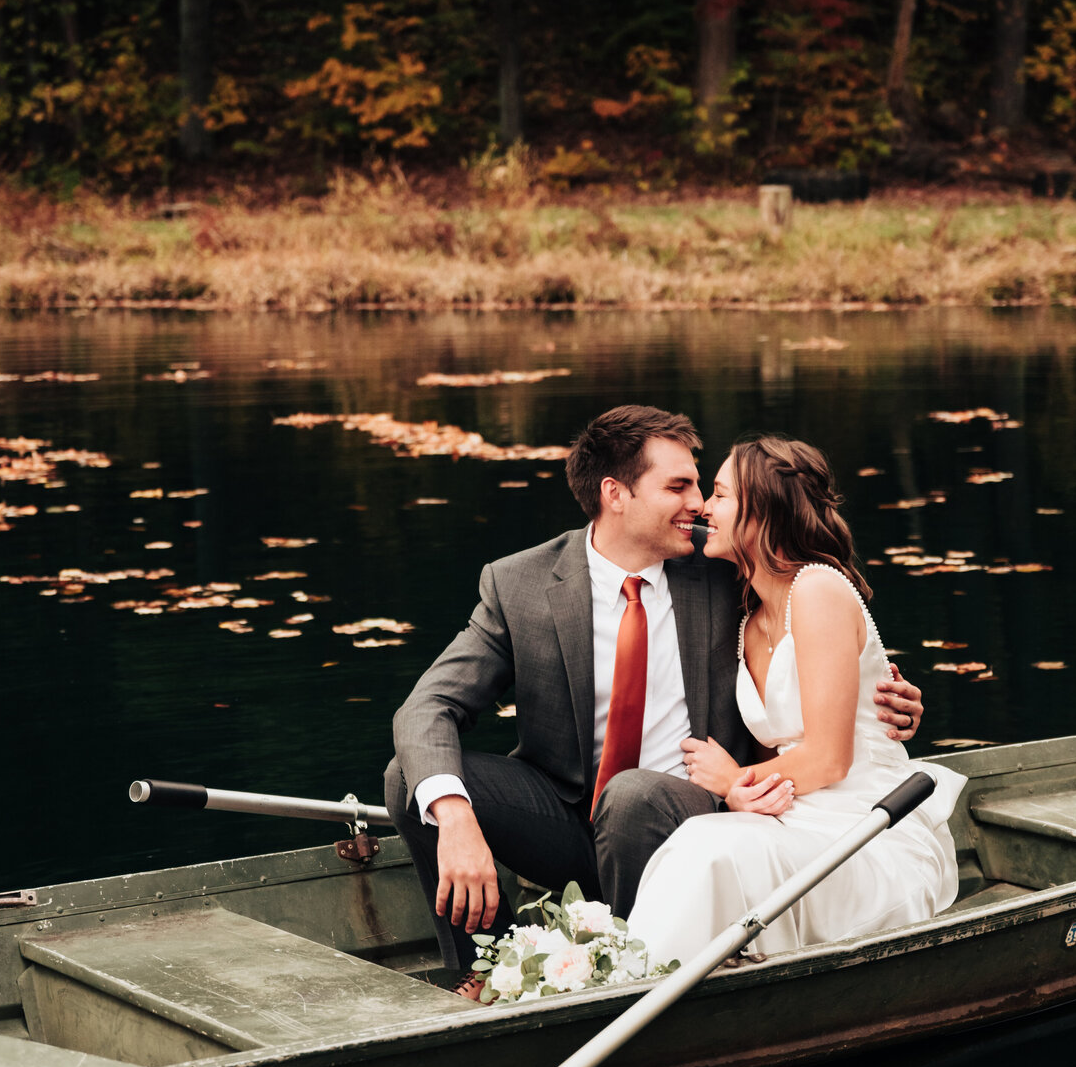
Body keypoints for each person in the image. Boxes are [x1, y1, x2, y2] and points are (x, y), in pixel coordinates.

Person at [384, 407, 925, 991]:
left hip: (694, 813)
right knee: (412, 779)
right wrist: (457, 817)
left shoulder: (724, 563)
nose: (698, 503)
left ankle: (619, 973)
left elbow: (825, 633)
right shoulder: (520, 584)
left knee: (635, 793)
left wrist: (888, 698)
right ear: (616, 494)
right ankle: (486, 968)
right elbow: (426, 707)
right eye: (679, 486)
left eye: (702, 486)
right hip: (571, 821)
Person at [628, 436, 963, 966]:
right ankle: (636, 979)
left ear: (762, 512)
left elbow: (830, 758)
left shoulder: (818, 589)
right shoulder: (752, 617)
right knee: (705, 845)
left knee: (709, 848)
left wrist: (735, 780)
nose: (704, 509)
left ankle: (637, 982)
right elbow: (787, 747)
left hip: (866, 824)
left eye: (720, 495)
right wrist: (747, 788)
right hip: (794, 814)